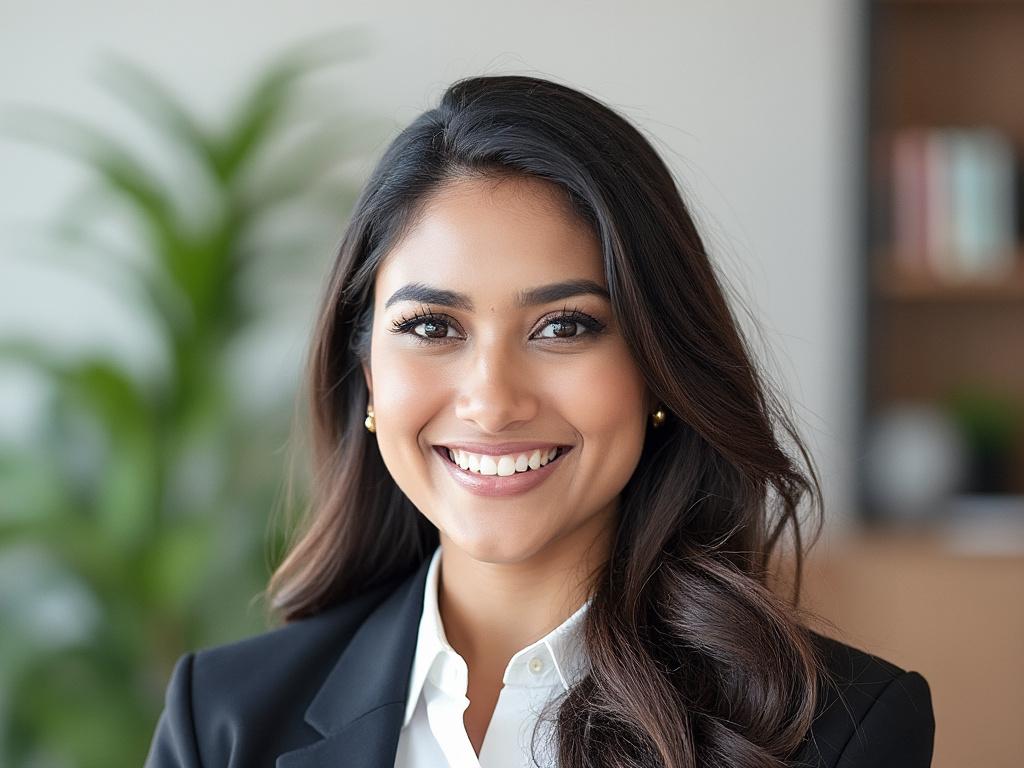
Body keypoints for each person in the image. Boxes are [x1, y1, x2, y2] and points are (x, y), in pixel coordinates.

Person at [143, 75, 935, 768]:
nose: (492, 401)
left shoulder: (837, 732)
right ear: (367, 372)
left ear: (659, 364)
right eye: (431, 327)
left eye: (564, 326)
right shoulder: (223, 718)